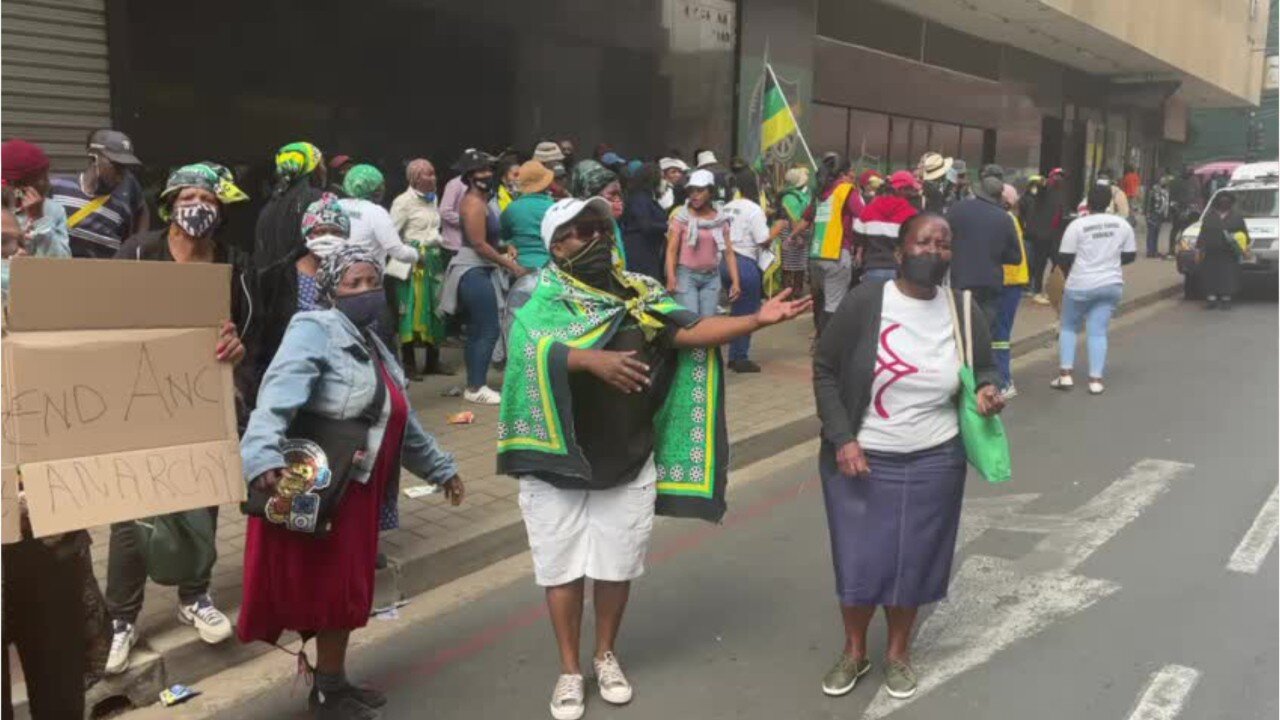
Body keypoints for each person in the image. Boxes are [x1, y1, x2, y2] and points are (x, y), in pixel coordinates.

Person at [500, 197, 810, 720]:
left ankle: (605, 655)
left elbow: (687, 330)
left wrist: (754, 320)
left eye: (601, 227)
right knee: (562, 571)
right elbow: (522, 352)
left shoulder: (639, 292)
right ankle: (570, 670)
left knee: (615, 566)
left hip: (627, 456)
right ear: (556, 246)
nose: (597, 237)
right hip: (559, 464)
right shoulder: (536, 292)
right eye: (581, 231)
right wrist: (586, 359)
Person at [238, 246, 464, 720]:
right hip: (322, 488)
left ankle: (333, 684)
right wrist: (260, 455)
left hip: (355, 492)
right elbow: (276, 394)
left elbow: (401, 417)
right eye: (352, 284)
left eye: (372, 282)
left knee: (343, 594)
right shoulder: (314, 329)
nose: (366, 292)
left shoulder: (372, 341)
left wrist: (442, 469)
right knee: (328, 593)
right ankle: (327, 693)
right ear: (330, 291)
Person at [812, 211, 1004, 702]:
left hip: (935, 457)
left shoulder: (963, 309)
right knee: (857, 559)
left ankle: (898, 652)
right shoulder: (864, 302)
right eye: (923, 243)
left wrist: (986, 390)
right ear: (899, 252)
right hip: (862, 456)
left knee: (913, 559)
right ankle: (855, 651)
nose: (933, 252)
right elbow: (825, 368)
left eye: (943, 244)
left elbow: (983, 366)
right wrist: (843, 439)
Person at [106, 163, 251, 675]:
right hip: (142, 403)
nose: (200, 206)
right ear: (169, 204)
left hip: (204, 403)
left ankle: (195, 596)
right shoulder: (138, 253)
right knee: (133, 513)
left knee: (202, 503)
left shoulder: (233, 262)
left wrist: (236, 349)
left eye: (210, 198)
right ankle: (120, 619)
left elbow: (246, 339)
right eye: (190, 195)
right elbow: (105, 320)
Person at [439, 149, 526, 405]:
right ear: (470, 176)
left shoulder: (482, 200)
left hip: (479, 268)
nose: (488, 174)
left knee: (478, 329)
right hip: (472, 270)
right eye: (482, 171)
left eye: (489, 170)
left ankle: (474, 384)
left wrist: (504, 247)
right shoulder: (474, 203)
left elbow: (488, 241)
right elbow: (478, 244)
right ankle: (476, 386)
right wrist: (511, 266)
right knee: (487, 328)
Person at [1052, 184, 1137, 395]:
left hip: (1080, 284)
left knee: (1069, 326)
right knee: (1098, 331)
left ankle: (1065, 375)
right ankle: (1095, 380)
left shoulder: (1077, 225)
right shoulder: (1122, 224)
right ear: (1110, 202)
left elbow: (1064, 258)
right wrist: (1108, 261)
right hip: (1111, 284)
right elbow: (1130, 255)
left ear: (1088, 203)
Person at [389, 159, 451, 378]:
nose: (434, 178)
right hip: (412, 263)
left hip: (433, 261)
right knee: (410, 311)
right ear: (415, 179)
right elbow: (391, 234)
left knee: (436, 310)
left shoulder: (433, 200)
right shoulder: (403, 202)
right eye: (428, 174)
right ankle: (409, 364)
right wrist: (408, 250)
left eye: (434, 174)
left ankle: (433, 361)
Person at [945, 164, 1022, 335]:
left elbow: (945, 237)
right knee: (983, 333)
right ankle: (979, 359)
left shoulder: (957, 209)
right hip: (990, 283)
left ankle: (961, 360)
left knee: (960, 329)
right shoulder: (1004, 218)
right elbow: (1016, 257)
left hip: (961, 279)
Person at [49, 128, 148, 258]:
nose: (121, 176)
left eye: (124, 168)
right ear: (94, 158)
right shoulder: (57, 188)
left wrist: (139, 246)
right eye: (115, 166)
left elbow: (142, 210)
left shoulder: (122, 207)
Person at [720, 169, 779, 373]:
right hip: (745, 262)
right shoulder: (754, 209)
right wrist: (778, 228)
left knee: (736, 311)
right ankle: (739, 357)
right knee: (747, 313)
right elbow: (763, 240)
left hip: (724, 262)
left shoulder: (726, 207)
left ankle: (733, 354)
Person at [802, 157, 864, 337]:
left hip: (816, 254)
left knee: (820, 302)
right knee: (834, 306)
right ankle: (827, 347)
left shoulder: (820, 192)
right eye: (851, 170)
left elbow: (806, 219)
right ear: (843, 174)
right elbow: (863, 215)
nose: (854, 174)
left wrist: (792, 236)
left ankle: (820, 338)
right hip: (836, 253)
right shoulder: (845, 190)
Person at [664, 169, 737, 317]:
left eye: (700, 190)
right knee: (692, 324)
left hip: (712, 277)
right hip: (686, 276)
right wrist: (671, 277)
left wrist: (736, 281)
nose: (694, 195)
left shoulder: (720, 219)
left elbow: (728, 252)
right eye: (691, 191)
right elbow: (671, 250)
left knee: (707, 325)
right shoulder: (681, 218)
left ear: (710, 192)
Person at [255, 141, 326, 270]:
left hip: (271, 285)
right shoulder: (318, 200)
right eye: (321, 164)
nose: (324, 169)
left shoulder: (269, 205)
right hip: (304, 282)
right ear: (312, 167)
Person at [338, 165, 419, 269]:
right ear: (375, 189)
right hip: (365, 276)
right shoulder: (376, 212)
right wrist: (417, 255)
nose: (383, 189)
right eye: (381, 185)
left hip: (336, 273)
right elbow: (398, 252)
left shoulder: (336, 205)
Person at [1, 140, 71, 259]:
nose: (48, 184)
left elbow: (62, 263)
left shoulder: (53, 210)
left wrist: (39, 220)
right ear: (17, 184)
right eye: (41, 179)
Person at [994, 183, 1030, 398]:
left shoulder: (1004, 219)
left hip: (1008, 280)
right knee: (999, 331)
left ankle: (1005, 380)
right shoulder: (1008, 218)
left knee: (1000, 332)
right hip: (1010, 280)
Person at [854, 171, 921, 284]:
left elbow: (857, 234)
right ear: (901, 190)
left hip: (872, 269)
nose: (913, 193)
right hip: (898, 271)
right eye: (910, 189)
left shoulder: (869, 209)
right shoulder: (911, 214)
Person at [1196, 191, 1250, 310]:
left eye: (1226, 201)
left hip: (1229, 253)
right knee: (1210, 276)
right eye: (1221, 200)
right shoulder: (1210, 216)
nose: (1224, 203)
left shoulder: (1236, 217)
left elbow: (1244, 234)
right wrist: (1199, 249)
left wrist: (1245, 249)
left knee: (1228, 276)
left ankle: (1226, 299)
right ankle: (1211, 299)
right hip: (1211, 252)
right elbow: (1203, 233)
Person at [502, 160, 557, 271]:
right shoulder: (554, 208)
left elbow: (503, 236)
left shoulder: (511, 209)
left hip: (520, 267)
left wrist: (509, 244)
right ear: (546, 183)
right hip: (550, 267)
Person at [619, 161, 668, 281]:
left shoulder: (648, 197)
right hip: (640, 251)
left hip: (649, 251)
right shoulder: (640, 198)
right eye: (661, 178)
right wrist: (668, 226)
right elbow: (646, 225)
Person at [777, 167, 812, 298]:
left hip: (800, 233)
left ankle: (797, 292)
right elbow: (793, 217)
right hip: (792, 234)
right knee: (789, 266)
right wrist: (796, 236)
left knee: (800, 266)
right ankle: (788, 294)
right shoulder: (789, 197)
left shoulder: (800, 195)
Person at [1020, 175, 1055, 299]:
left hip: (1041, 236)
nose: (1036, 188)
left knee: (1039, 262)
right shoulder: (1025, 199)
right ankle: (1028, 285)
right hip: (1029, 235)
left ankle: (1035, 286)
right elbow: (1021, 217)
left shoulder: (1046, 200)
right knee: (1029, 261)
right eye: (1034, 184)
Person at [1167, 167, 1201, 258]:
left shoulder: (1176, 182)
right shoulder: (1192, 183)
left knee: (1178, 231)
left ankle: (1174, 250)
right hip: (1181, 210)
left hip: (1181, 210)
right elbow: (1195, 197)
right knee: (1180, 231)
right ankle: (1178, 250)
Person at [1145, 175, 1171, 259]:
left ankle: (1154, 250)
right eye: (1164, 181)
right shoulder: (1154, 191)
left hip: (1159, 215)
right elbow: (1149, 202)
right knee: (1152, 232)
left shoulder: (1165, 191)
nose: (1165, 183)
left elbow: (1166, 203)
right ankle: (1150, 251)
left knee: (1156, 233)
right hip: (1153, 214)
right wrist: (1148, 213)